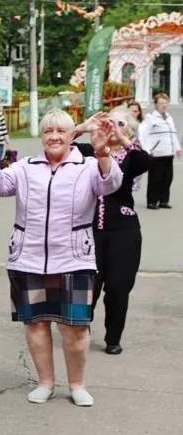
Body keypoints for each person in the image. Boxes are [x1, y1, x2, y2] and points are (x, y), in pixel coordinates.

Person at [0, 108, 122, 406]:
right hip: (28, 257)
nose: (54, 137)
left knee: (75, 328)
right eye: (48, 131)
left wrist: (103, 153)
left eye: (61, 131)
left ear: (73, 135)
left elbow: (111, 184)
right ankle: (45, 382)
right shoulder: (25, 167)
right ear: (42, 136)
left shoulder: (87, 166)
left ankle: (77, 384)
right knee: (35, 324)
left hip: (74, 257)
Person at [82, 107, 148, 355]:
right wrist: (83, 128)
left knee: (119, 287)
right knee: (87, 285)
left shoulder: (131, 157)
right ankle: (80, 330)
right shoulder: (89, 152)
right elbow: (61, 145)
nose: (112, 126)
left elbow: (146, 162)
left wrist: (122, 139)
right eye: (108, 122)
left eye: (120, 123)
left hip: (124, 231)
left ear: (129, 130)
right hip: (89, 230)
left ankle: (113, 337)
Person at [138, 91, 179, 208]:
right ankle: (152, 201)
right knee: (155, 179)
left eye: (166, 103)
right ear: (156, 104)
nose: (164, 105)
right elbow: (142, 133)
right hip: (156, 153)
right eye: (161, 103)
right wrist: (145, 149)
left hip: (168, 152)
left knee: (167, 178)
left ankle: (163, 200)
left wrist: (177, 148)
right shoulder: (150, 118)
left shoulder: (169, 118)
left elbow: (173, 134)